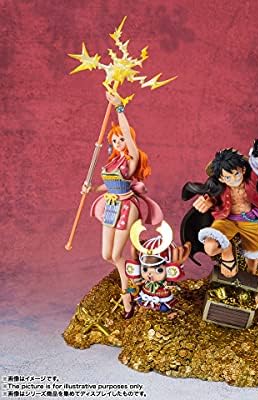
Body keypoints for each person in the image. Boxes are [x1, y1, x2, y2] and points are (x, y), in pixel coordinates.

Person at [82, 92, 163, 318]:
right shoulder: (112, 163)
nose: (119, 143)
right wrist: (91, 189)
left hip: (127, 206)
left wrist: (120, 109)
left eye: (121, 140)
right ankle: (132, 275)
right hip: (111, 206)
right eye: (115, 140)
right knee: (107, 254)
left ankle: (127, 294)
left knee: (117, 253)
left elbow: (127, 134)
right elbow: (109, 185)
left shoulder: (131, 159)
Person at [181, 140, 258, 277]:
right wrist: (207, 201)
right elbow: (209, 195)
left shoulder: (251, 183)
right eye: (228, 177)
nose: (234, 179)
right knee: (210, 247)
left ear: (243, 170)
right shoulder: (219, 188)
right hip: (226, 221)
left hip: (250, 221)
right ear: (221, 178)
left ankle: (250, 277)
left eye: (236, 174)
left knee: (255, 253)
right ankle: (227, 250)